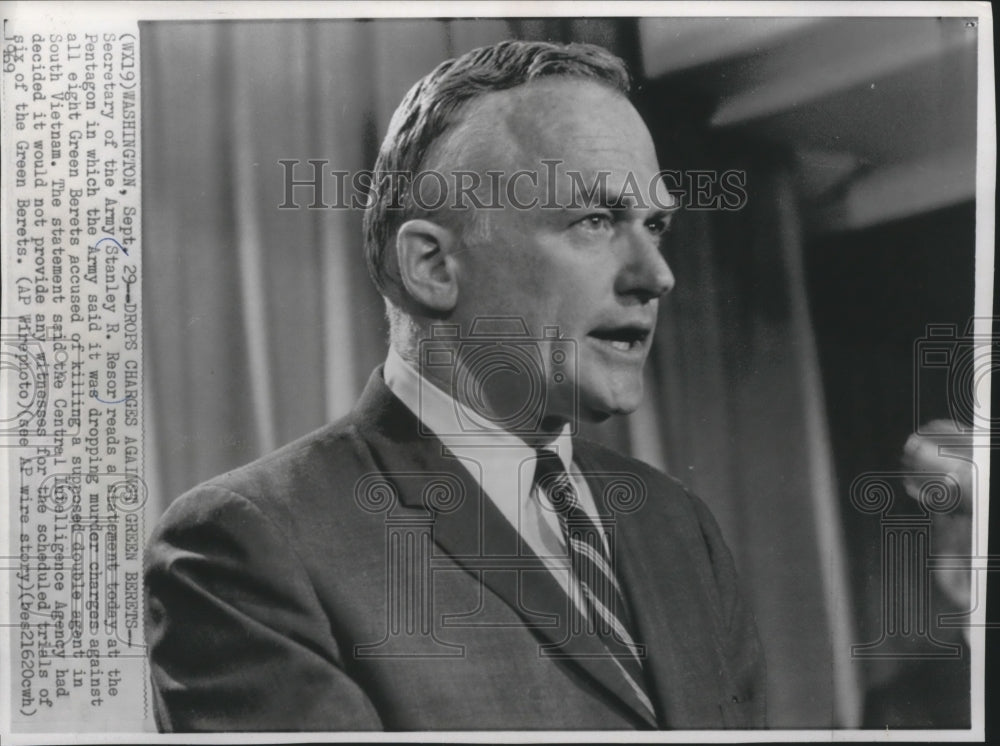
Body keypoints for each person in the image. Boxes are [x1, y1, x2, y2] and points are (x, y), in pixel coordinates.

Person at [144, 39, 766, 731]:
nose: (656, 275)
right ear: (433, 267)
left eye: (655, 226)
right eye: (594, 221)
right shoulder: (250, 545)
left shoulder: (679, 526)